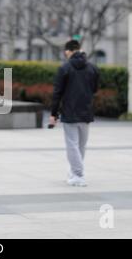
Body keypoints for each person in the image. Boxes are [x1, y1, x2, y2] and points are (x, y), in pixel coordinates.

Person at [49, 40, 100, 187]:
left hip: (70, 112)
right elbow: (95, 89)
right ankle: (74, 172)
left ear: (68, 51)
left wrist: (53, 114)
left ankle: (78, 175)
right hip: (86, 111)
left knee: (72, 144)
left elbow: (57, 93)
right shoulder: (93, 68)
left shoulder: (64, 68)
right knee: (81, 145)